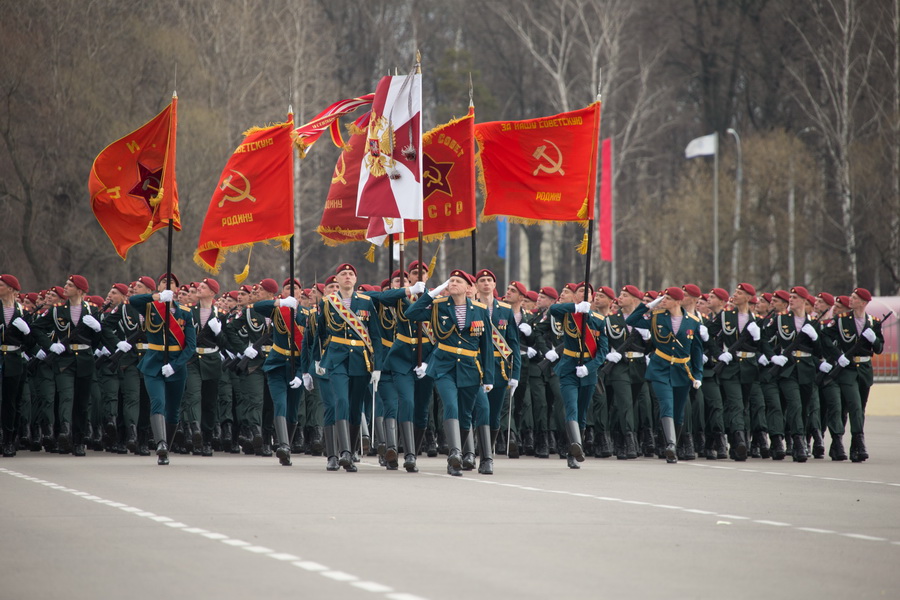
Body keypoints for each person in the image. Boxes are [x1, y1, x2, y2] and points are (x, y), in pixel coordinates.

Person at [405, 270, 494, 476]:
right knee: (451, 405)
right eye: (451, 280)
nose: (453, 283)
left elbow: (487, 346)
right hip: (444, 365)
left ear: (468, 288)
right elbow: (411, 314)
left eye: (458, 281)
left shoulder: (480, 310)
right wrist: (431, 294)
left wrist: (488, 377)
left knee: (465, 413)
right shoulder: (438, 306)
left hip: (470, 367)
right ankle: (454, 455)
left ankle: (473, 457)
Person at [32, 275, 118, 456]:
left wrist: (98, 329)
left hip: (85, 360)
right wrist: (50, 346)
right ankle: (65, 432)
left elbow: (99, 339)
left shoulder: (92, 311)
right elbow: (37, 328)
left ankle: (78, 441)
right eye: (66, 284)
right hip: (64, 359)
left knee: (82, 401)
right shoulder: (57, 310)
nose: (65, 287)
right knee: (66, 396)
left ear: (80, 291)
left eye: (70, 285)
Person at [316, 264, 384, 472]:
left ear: (356, 279)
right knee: (341, 401)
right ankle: (339, 453)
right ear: (336, 279)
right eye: (343, 274)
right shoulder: (328, 303)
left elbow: (376, 336)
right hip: (336, 359)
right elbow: (318, 334)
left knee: (355, 409)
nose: (347, 277)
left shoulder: (366, 302)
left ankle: (351, 451)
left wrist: (377, 367)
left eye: (351, 274)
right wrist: (317, 361)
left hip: (361, 361)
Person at [625, 287, 704, 463]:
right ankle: (670, 445)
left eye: (667, 298)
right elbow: (632, 320)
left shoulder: (693, 322)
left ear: (678, 301)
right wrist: (647, 306)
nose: (663, 301)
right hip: (660, 369)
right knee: (666, 403)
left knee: (679, 409)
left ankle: (673, 442)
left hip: (682, 371)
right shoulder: (657, 317)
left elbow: (697, 351)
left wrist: (698, 375)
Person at [128, 275, 197, 465]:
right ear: (159, 287)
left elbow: (191, 346)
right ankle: (161, 445)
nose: (168, 285)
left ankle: (168, 443)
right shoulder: (150, 306)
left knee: (173, 410)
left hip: (176, 364)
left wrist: (174, 366)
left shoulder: (185, 312)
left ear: (176, 288)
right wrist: (157, 297)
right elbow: (133, 300)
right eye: (164, 283)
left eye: (172, 283)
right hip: (153, 363)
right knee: (157, 402)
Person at [819, 287, 884, 462]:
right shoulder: (841, 320)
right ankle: (860, 441)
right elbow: (824, 337)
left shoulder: (873, 322)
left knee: (860, 408)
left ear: (863, 302)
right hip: (847, 370)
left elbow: (879, 349)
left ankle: (855, 447)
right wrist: (837, 355)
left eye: (854, 298)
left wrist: (874, 339)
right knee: (854, 405)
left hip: (864, 369)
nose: (851, 300)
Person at [548, 282, 608, 469]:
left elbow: (603, 351)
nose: (584, 294)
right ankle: (574, 448)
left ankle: (574, 449)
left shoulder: (598, 319)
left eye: (588, 292)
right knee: (571, 408)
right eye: (580, 291)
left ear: (592, 298)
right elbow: (552, 309)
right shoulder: (567, 313)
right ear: (574, 296)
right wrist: (575, 308)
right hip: (568, 368)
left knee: (582, 413)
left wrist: (589, 368)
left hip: (587, 371)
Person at [760, 286, 822, 462]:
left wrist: (816, 338)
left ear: (804, 300)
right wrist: (772, 356)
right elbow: (764, 338)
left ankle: (797, 442)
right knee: (794, 404)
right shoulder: (781, 320)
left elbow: (820, 351)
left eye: (795, 297)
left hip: (807, 369)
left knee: (804, 407)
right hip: (788, 369)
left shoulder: (813, 323)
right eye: (790, 297)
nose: (791, 300)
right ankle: (799, 441)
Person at [0, 274, 30, 457]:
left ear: (11, 289)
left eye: (2, 285)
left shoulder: (23, 312)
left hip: (14, 359)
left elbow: (32, 342)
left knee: (12, 401)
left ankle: (10, 440)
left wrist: (27, 332)